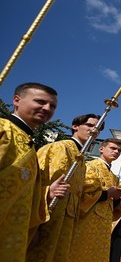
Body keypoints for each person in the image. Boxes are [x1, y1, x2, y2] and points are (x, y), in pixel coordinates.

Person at [0, 83, 67, 262]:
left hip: (13, 234)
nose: (47, 108)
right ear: (16, 100)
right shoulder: (3, 129)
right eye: (40, 102)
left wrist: (46, 192)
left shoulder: (29, 143)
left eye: (52, 106)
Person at [28, 114, 102, 262]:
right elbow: (37, 182)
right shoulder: (60, 147)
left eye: (98, 128)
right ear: (75, 126)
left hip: (67, 220)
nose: (94, 130)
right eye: (90, 125)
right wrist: (35, 223)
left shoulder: (80, 158)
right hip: (48, 217)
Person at [69, 138, 121, 261]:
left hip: (104, 222)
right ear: (101, 149)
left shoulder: (114, 176)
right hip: (87, 219)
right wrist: (107, 194)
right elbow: (83, 193)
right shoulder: (90, 166)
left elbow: (113, 204)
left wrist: (116, 198)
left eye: (119, 150)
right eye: (113, 148)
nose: (116, 152)